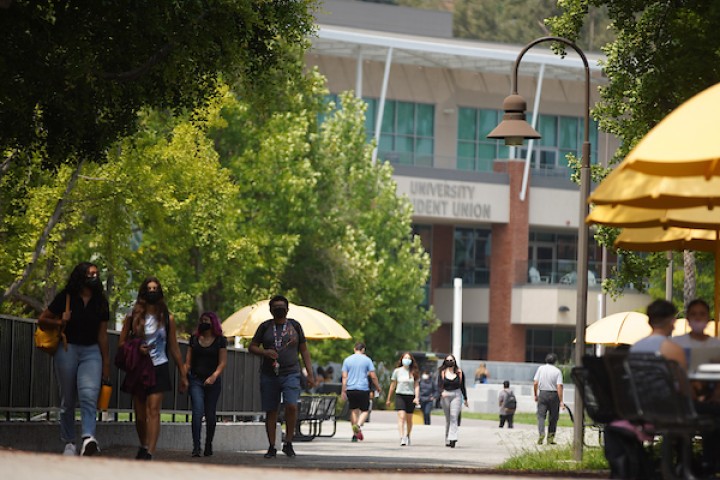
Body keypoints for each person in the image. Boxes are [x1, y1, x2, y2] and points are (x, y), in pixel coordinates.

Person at [38, 262, 110, 456]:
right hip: (67, 348)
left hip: (92, 351)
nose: (94, 278)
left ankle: (88, 438)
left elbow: (103, 335)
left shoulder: (101, 302)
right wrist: (61, 321)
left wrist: (106, 364)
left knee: (89, 395)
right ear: (81, 277)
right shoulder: (66, 297)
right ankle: (69, 442)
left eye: (97, 274)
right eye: (90, 275)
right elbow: (42, 320)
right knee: (68, 399)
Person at [118, 276, 188, 460]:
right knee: (140, 415)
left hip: (159, 366)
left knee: (154, 410)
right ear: (143, 292)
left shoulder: (167, 318)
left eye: (155, 288)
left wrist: (183, 373)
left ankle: (150, 451)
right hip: (139, 369)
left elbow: (173, 346)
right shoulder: (133, 316)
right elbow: (121, 343)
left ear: (160, 292)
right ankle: (143, 444)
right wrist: (136, 348)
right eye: (149, 288)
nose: (152, 291)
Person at [249, 295, 315, 458]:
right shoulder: (265, 327)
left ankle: (289, 442)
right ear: (271, 310)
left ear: (287, 309)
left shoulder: (295, 326)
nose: (279, 309)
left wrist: (310, 374)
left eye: (282, 307)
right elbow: (252, 347)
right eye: (276, 307)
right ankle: (272, 446)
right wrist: (264, 352)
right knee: (271, 410)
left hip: (291, 372)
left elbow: (304, 350)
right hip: (269, 374)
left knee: (291, 405)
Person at [184, 311, 227, 457]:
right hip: (195, 379)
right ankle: (196, 446)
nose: (204, 322)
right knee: (197, 412)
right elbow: (188, 362)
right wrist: (184, 378)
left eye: (207, 320)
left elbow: (222, 362)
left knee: (210, 414)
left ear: (213, 322)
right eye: (202, 320)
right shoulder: (194, 339)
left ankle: (208, 444)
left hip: (213, 381)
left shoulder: (220, 340)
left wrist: (214, 376)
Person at [341, 342, 382, 442]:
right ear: (363, 349)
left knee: (354, 410)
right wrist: (377, 387)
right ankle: (358, 426)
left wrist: (343, 390)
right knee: (365, 410)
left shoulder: (347, 360)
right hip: (363, 388)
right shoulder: (367, 360)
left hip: (350, 388)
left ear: (354, 349)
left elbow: (344, 377)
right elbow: (372, 375)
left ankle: (355, 435)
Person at [631, 299, 686, 369]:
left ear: (649, 322)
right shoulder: (674, 349)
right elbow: (682, 378)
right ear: (672, 321)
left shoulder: (634, 348)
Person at [386, 352, 420, 446]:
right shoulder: (397, 371)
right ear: (401, 359)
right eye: (405, 358)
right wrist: (388, 398)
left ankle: (408, 435)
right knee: (401, 417)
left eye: (409, 358)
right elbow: (393, 385)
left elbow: (416, 385)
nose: (407, 360)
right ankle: (402, 437)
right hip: (400, 395)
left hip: (410, 396)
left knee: (409, 419)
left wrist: (417, 397)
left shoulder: (414, 372)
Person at [533, 352, 564, 445]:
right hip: (554, 394)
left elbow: (535, 382)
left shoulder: (540, 369)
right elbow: (559, 386)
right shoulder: (557, 371)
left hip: (543, 393)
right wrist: (561, 400)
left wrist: (535, 394)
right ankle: (550, 438)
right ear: (555, 361)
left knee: (541, 416)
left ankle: (541, 434)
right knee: (553, 417)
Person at [438, 354, 468, 448]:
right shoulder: (442, 372)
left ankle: (453, 438)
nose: (450, 362)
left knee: (454, 417)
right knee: (448, 419)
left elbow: (463, 386)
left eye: (452, 360)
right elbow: (439, 385)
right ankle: (447, 438)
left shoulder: (459, 372)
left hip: (456, 395)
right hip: (445, 395)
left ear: (455, 361)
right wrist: (441, 393)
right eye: (448, 360)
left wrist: (466, 398)